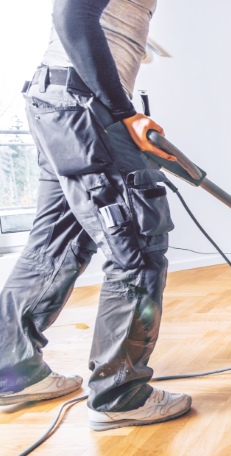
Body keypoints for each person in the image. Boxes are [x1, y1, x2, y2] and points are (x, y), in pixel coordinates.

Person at [0, 0, 191, 431]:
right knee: (136, 242)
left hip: (57, 101)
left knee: (58, 241)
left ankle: (12, 370)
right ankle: (120, 395)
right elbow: (71, 14)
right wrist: (123, 111)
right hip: (85, 108)